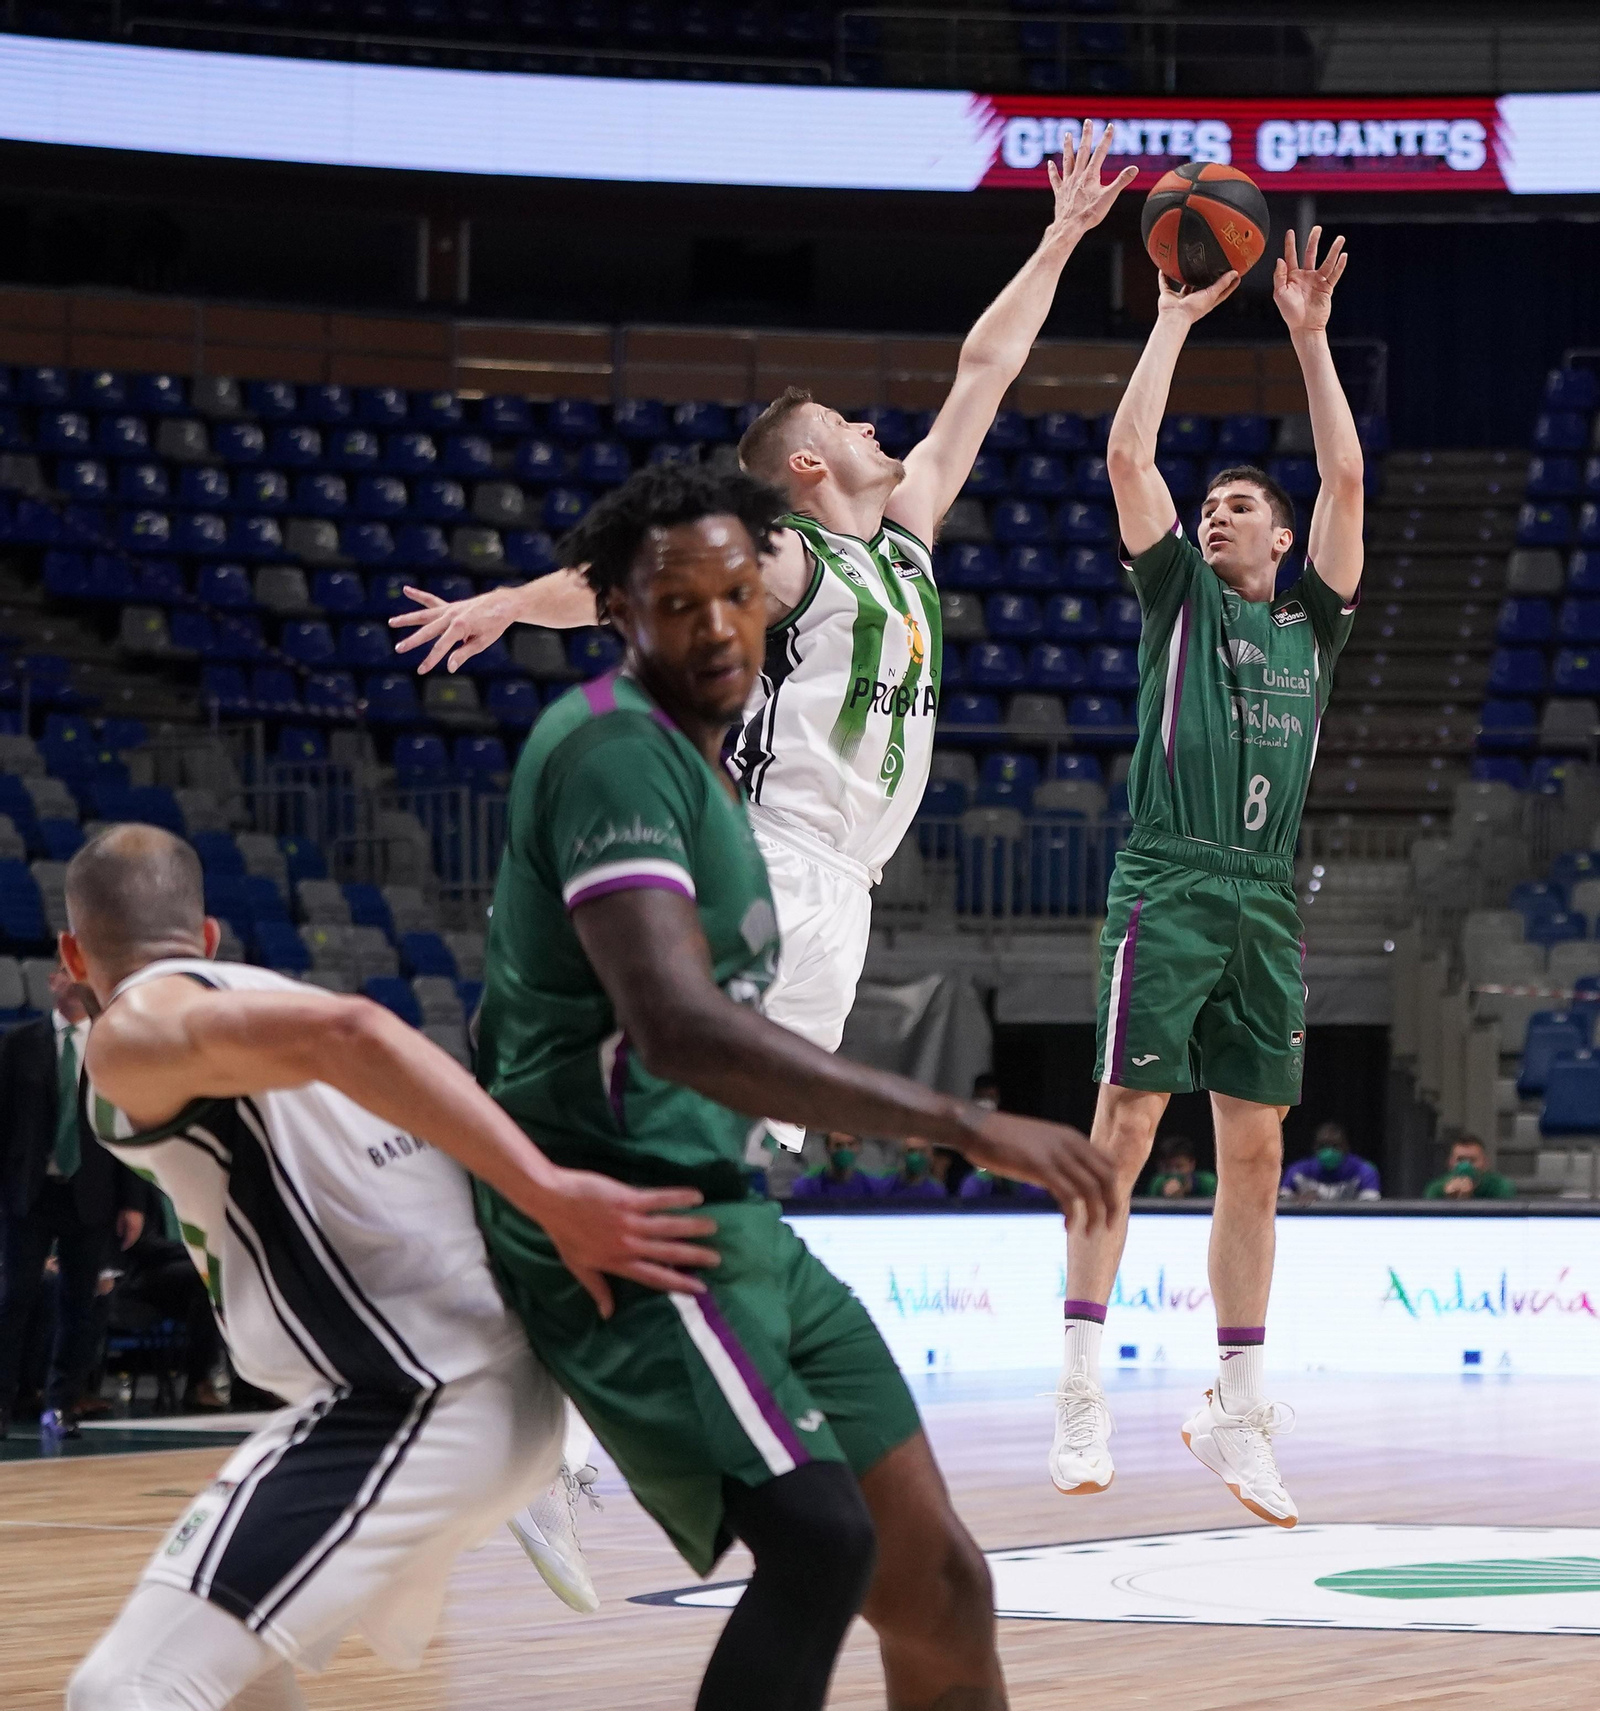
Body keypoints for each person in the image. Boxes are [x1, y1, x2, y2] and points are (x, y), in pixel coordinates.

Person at [394, 124, 1135, 1587]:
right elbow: (636, 569)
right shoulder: (794, 552)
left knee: (726, 1156)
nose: (885, 428)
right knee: (688, 1143)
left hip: (842, 892)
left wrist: (1055, 245)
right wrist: (505, 602)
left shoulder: (908, 531)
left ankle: (569, 1426)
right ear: (809, 462)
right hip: (776, 860)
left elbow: (984, 375)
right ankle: (536, 1421)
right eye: (856, 423)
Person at [473, 464, 1116, 1711]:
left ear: (769, 602)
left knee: (943, 1584)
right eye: (676, 602)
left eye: (733, 594)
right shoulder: (612, 748)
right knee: (823, 1542)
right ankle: (553, 1450)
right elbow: (673, 1027)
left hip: (733, 1212)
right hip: (635, 1223)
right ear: (617, 612)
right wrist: (960, 1119)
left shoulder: (723, 780)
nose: (714, 625)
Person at [59, 822, 729, 1711]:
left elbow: (354, 1028)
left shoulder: (131, 1026)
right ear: (210, 933)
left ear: (71, 952)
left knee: (123, 1689)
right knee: (244, 1668)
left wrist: (548, 1190)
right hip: (482, 1386)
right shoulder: (265, 993)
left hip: (419, 1395)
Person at [1048, 226, 1364, 1530]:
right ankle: (1078, 1378)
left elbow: (1345, 470)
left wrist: (1307, 334)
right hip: (1171, 881)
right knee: (1124, 1128)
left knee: (1259, 1149)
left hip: (1264, 898)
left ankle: (1236, 1401)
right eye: (1214, 501)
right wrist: (1175, 320)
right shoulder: (1177, 595)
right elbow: (1131, 455)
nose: (1220, 510)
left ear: (1282, 540)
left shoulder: (1313, 622)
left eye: (1244, 505)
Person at [0, 962, 144, 1439]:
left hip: (91, 1191)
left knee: (80, 1303)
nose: (72, 980)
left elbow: (126, 1127)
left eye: (81, 971)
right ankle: (3, 1402)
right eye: (64, 970)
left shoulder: (112, 1045)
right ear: (52, 981)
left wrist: (134, 1201)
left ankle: (61, 1404)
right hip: (30, 1192)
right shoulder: (19, 1043)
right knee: (13, 1298)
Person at [1281, 1121, 1380, 1202]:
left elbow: (1371, 1204)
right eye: (1323, 1146)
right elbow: (1280, 1200)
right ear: (1314, 1148)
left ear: (1346, 1147)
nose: (1329, 1151)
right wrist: (1297, 1199)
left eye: (1335, 1146)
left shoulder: (1364, 1171)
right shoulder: (1297, 1171)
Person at [788, 1130, 880, 1201]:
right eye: (838, 1145)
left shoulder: (872, 1187)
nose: (845, 1150)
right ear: (827, 1147)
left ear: (859, 1147)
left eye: (850, 1144)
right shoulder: (807, 1187)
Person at [1423, 1136, 1516, 1201]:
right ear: (1450, 1162)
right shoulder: (1436, 1189)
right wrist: (1449, 1201)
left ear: (1485, 1163)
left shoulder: (1500, 1187)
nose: (1465, 1166)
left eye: (1472, 1160)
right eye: (1460, 1160)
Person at [1145, 1136, 1217, 1200]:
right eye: (1168, 1167)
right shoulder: (1157, 1182)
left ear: (1192, 1164)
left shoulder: (1209, 1182)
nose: (1174, 1172)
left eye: (1179, 1166)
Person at [876, 1140, 949, 1203]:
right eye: (912, 1151)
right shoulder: (886, 1185)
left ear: (930, 1155)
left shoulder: (936, 1191)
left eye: (922, 1151)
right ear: (903, 1153)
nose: (916, 1156)